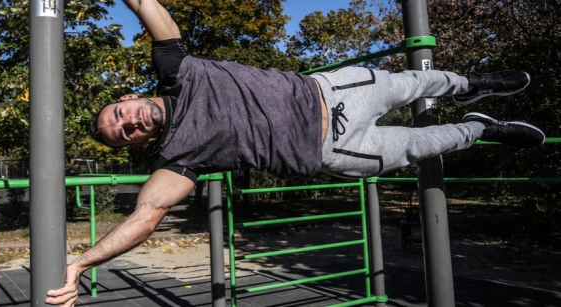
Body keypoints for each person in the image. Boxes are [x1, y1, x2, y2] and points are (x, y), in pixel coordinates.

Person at [47, 0, 545, 305]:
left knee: (415, 80)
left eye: (119, 115)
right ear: (136, 144)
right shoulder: (179, 157)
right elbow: (147, 215)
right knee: (418, 146)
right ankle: (480, 129)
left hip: (333, 93)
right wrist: (81, 264)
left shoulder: (177, 69)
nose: (128, 125)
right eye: (123, 136)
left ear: (128, 99)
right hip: (336, 149)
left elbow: (143, 2)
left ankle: (470, 85)